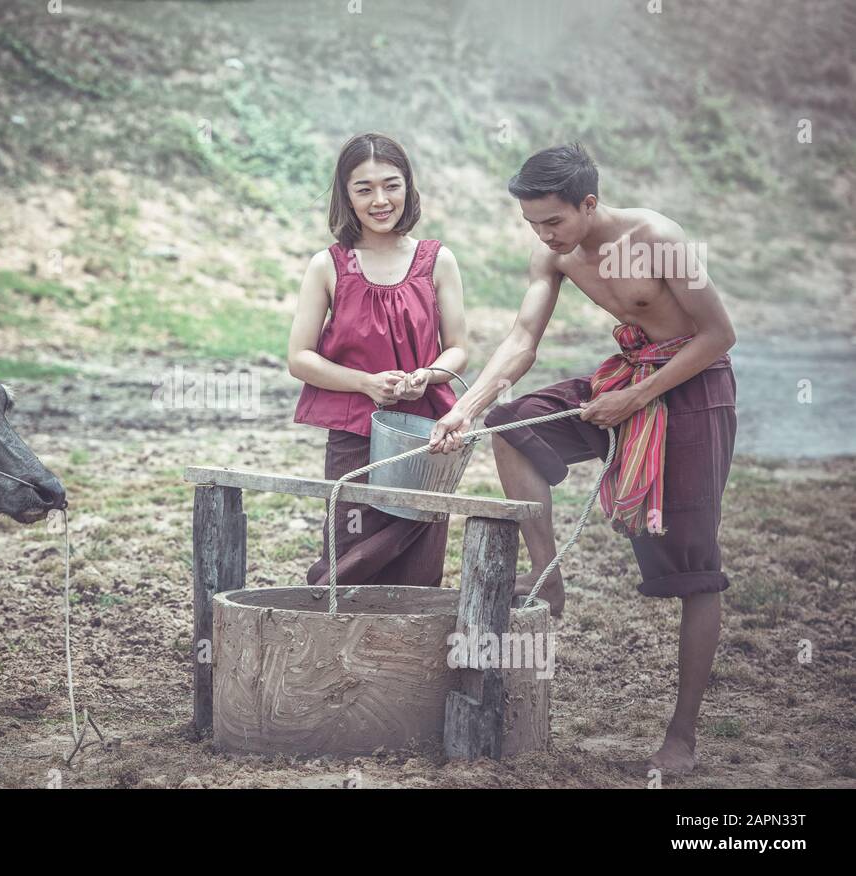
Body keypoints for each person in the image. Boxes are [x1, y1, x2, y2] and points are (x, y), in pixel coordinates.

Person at [427, 143, 737, 772]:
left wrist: (639, 397)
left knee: (694, 565)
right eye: (532, 223)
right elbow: (521, 340)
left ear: (588, 204)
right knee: (511, 424)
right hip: (628, 378)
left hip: (694, 387)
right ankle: (551, 581)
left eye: (553, 221)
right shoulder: (555, 252)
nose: (543, 235)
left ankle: (682, 735)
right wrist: (464, 409)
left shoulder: (659, 238)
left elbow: (719, 335)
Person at [289, 132, 469, 588]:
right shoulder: (328, 265)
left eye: (391, 185)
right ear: (345, 196)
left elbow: (459, 349)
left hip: (427, 436)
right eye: (363, 189)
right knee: (349, 553)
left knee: (418, 561)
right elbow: (299, 358)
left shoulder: (437, 260)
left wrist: (428, 376)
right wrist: (366, 384)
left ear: (407, 186)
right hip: (353, 433)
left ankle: (409, 655)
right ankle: (332, 629)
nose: (380, 200)